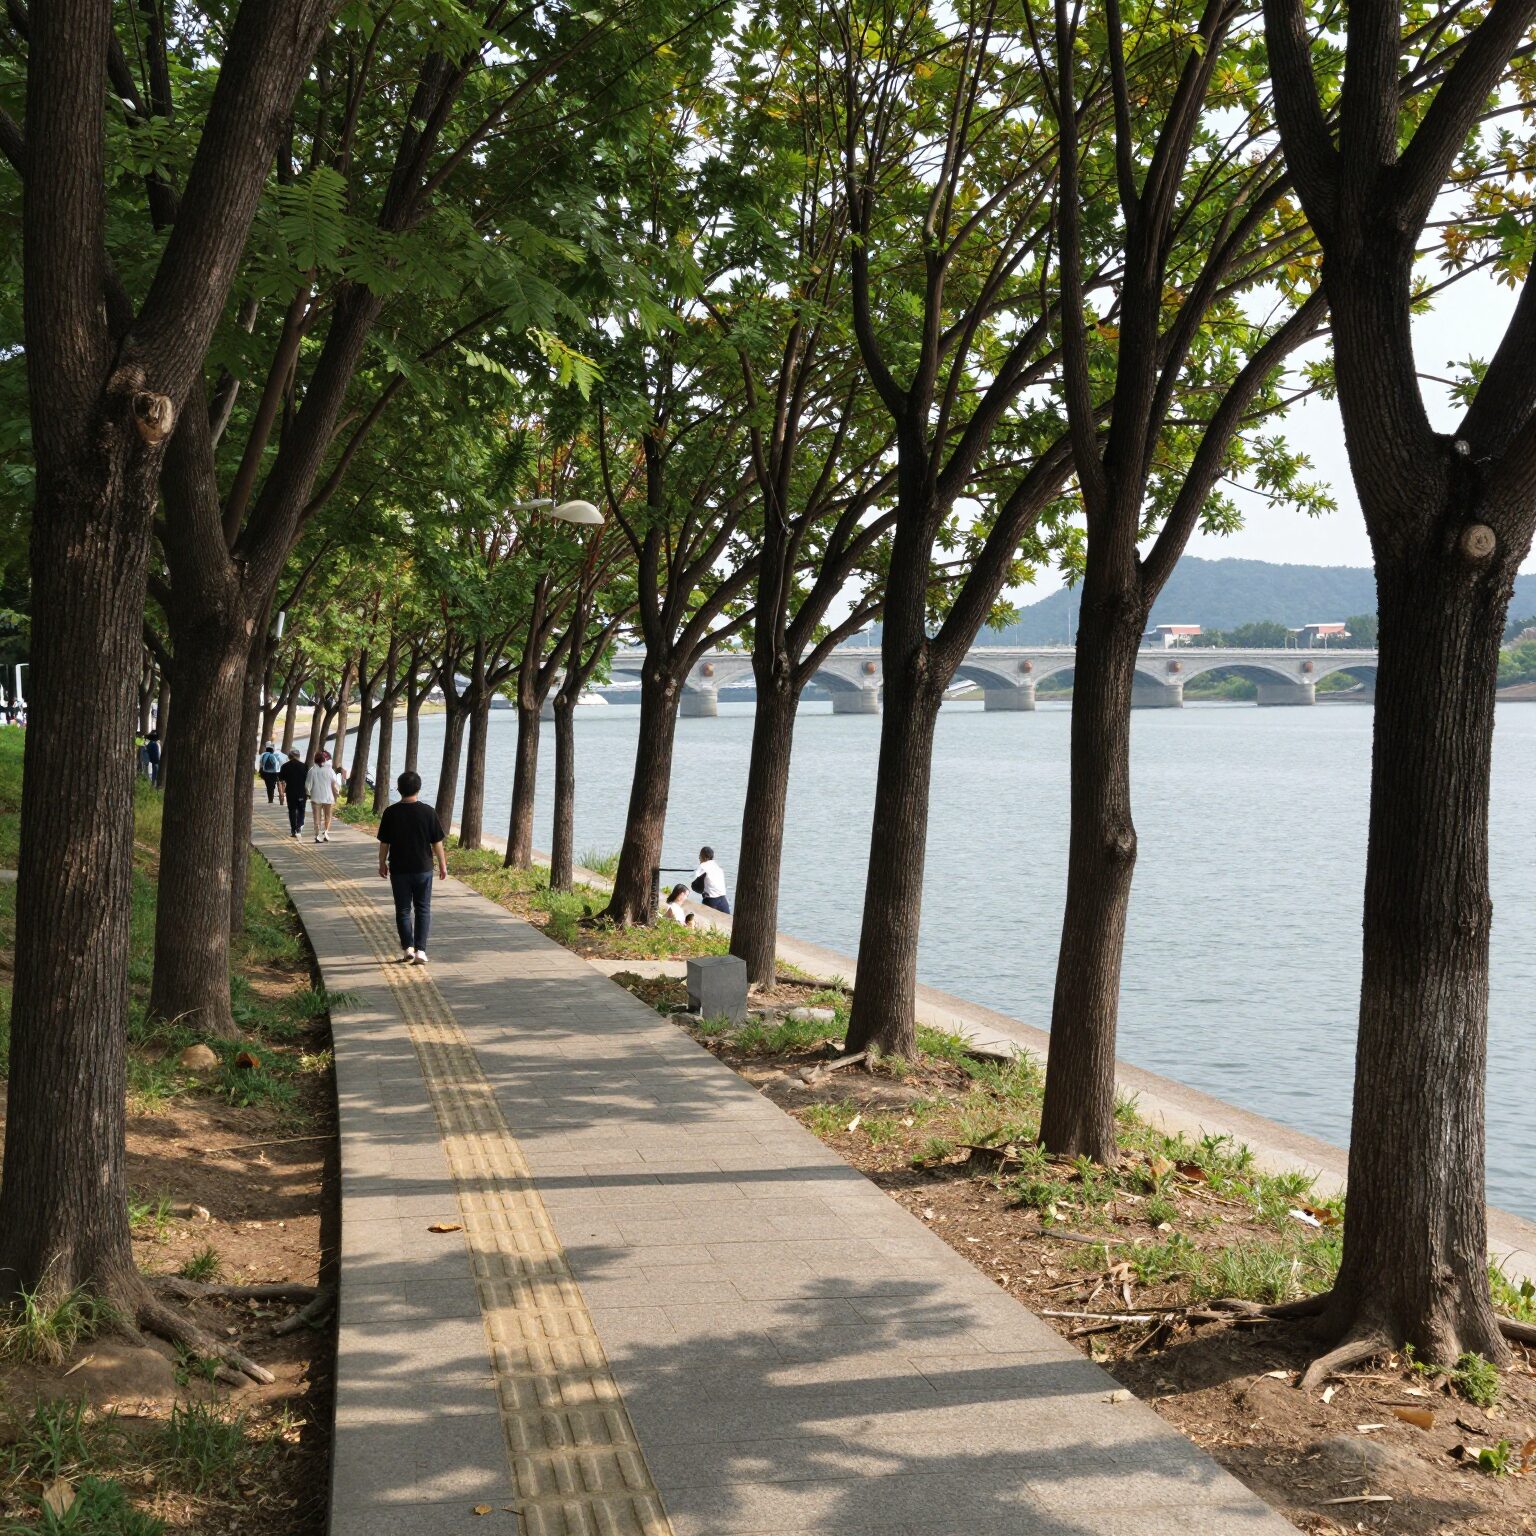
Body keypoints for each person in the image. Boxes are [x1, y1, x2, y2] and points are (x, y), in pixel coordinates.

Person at [377, 770, 447, 965]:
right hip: (423, 868)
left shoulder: (390, 812)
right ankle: (421, 951)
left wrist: (382, 862)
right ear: (418, 788)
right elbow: (437, 842)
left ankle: (408, 948)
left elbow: (384, 843)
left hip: (399, 868)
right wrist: (442, 864)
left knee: (402, 910)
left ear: (398, 789)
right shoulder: (428, 812)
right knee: (423, 908)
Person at [305, 750, 340, 842]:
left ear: (315, 760)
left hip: (316, 797)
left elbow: (308, 785)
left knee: (317, 817)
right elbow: (335, 784)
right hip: (328, 797)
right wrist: (337, 792)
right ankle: (326, 832)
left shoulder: (312, 770)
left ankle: (317, 834)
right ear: (325, 760)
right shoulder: (330, 771)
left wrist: (308, 793)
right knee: (328, 816)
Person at [691, 845, 731, 913]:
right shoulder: (717, 867)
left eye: (700, 856)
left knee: (706, 919)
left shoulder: (703, 866)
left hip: (711, 901)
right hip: (723, 901)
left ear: (704, 857)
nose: (699, 858)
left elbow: (694, 881)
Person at [278, 749, 309, 837]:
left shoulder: (285, 766)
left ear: (289, 756)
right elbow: (307, 780)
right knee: (301, 809)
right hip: (301, 791)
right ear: (298, 756)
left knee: (292, 810)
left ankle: (293, 829)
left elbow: (281, 778)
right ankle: (299, 826)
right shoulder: (304, 766)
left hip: (290, 791)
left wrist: (281, 792)